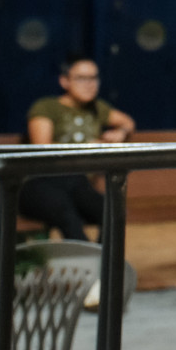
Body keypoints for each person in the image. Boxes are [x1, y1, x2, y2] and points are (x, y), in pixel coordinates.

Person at [21, 58, 134, 241]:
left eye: (94, 78)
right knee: (66, 213)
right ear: (64, 81)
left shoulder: (97, 108)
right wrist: (87, 147)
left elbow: (128, 122)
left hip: (78, 184)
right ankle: (86, 258)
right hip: (41, 182)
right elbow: (42, 147)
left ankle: (103, 258)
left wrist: (121, 132)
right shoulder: (47, 106)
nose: (89, 84)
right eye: (81, 78)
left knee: (113, 210)